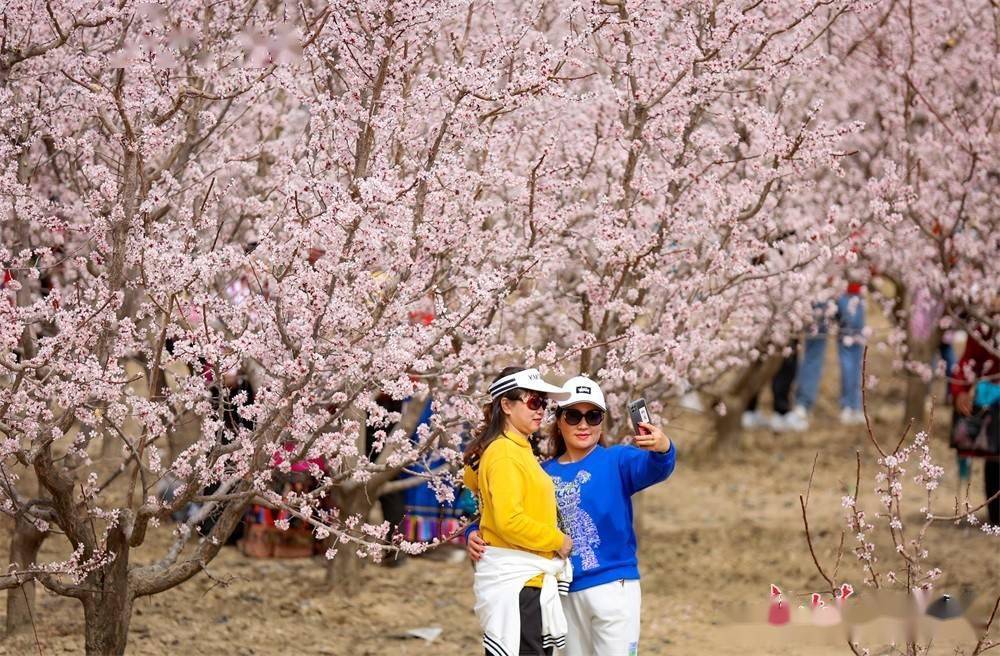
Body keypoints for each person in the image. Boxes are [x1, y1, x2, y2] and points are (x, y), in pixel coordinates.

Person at [468, 375, 676, 656]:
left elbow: (658, 467)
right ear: (559, 420)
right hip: (563, 588)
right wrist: (475, 534)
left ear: (602, 421)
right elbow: (503, 509)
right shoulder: (542, 473)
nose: (583, 425)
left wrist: (662, 446)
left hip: (615, 585)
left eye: (593, 416)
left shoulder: (617, 460)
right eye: (573, 415)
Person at [464, 366, 574, 656]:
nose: (541, 410)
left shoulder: (518, 448)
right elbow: (509, 520)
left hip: (527, 579)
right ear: (506, 405)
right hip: (519, 581)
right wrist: (557, 540)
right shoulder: (504, 453)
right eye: (533, 402)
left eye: (544, 403)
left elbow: (492, 509)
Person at [951, 326, 1000, 525]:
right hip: (994, 405)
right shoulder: (985, 327)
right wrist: (960, 390)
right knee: (996, 460)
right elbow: (968, 360)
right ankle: (997, 517)